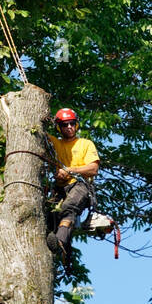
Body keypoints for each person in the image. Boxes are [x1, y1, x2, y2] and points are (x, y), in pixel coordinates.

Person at [45, 107, 100, 270]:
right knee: (48, 216)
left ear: (76, 125)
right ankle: (62, 253)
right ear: (58, 127)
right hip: (60, 189)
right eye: (64, 125)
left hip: (80, 185)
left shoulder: (85, 144)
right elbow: (38, 134)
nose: (68, 127)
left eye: (71, 124)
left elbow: (93, 169)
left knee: (68, 208)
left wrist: (70, 170)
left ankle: (60, 241)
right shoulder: (56, 143)